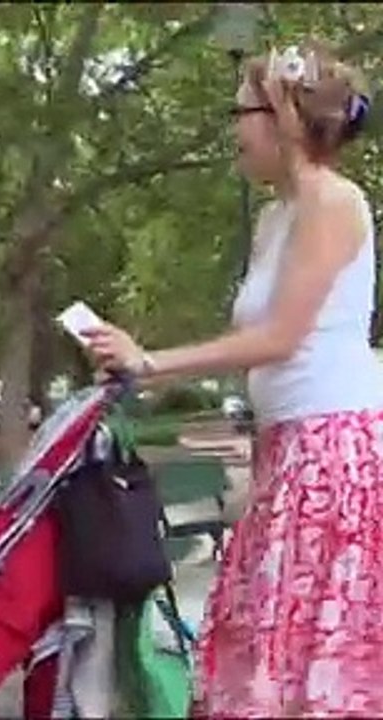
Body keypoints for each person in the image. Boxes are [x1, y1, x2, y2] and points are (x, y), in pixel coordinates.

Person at [81, 42, 382, 717]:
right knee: (279, 651)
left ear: (282, 115)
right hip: (291, 451)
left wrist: (151, 360)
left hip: (334, 455)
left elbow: (280, 338)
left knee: (318, 658)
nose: (234, 130)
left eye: (242, 111)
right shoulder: (278, 217)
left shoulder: (334, 203)